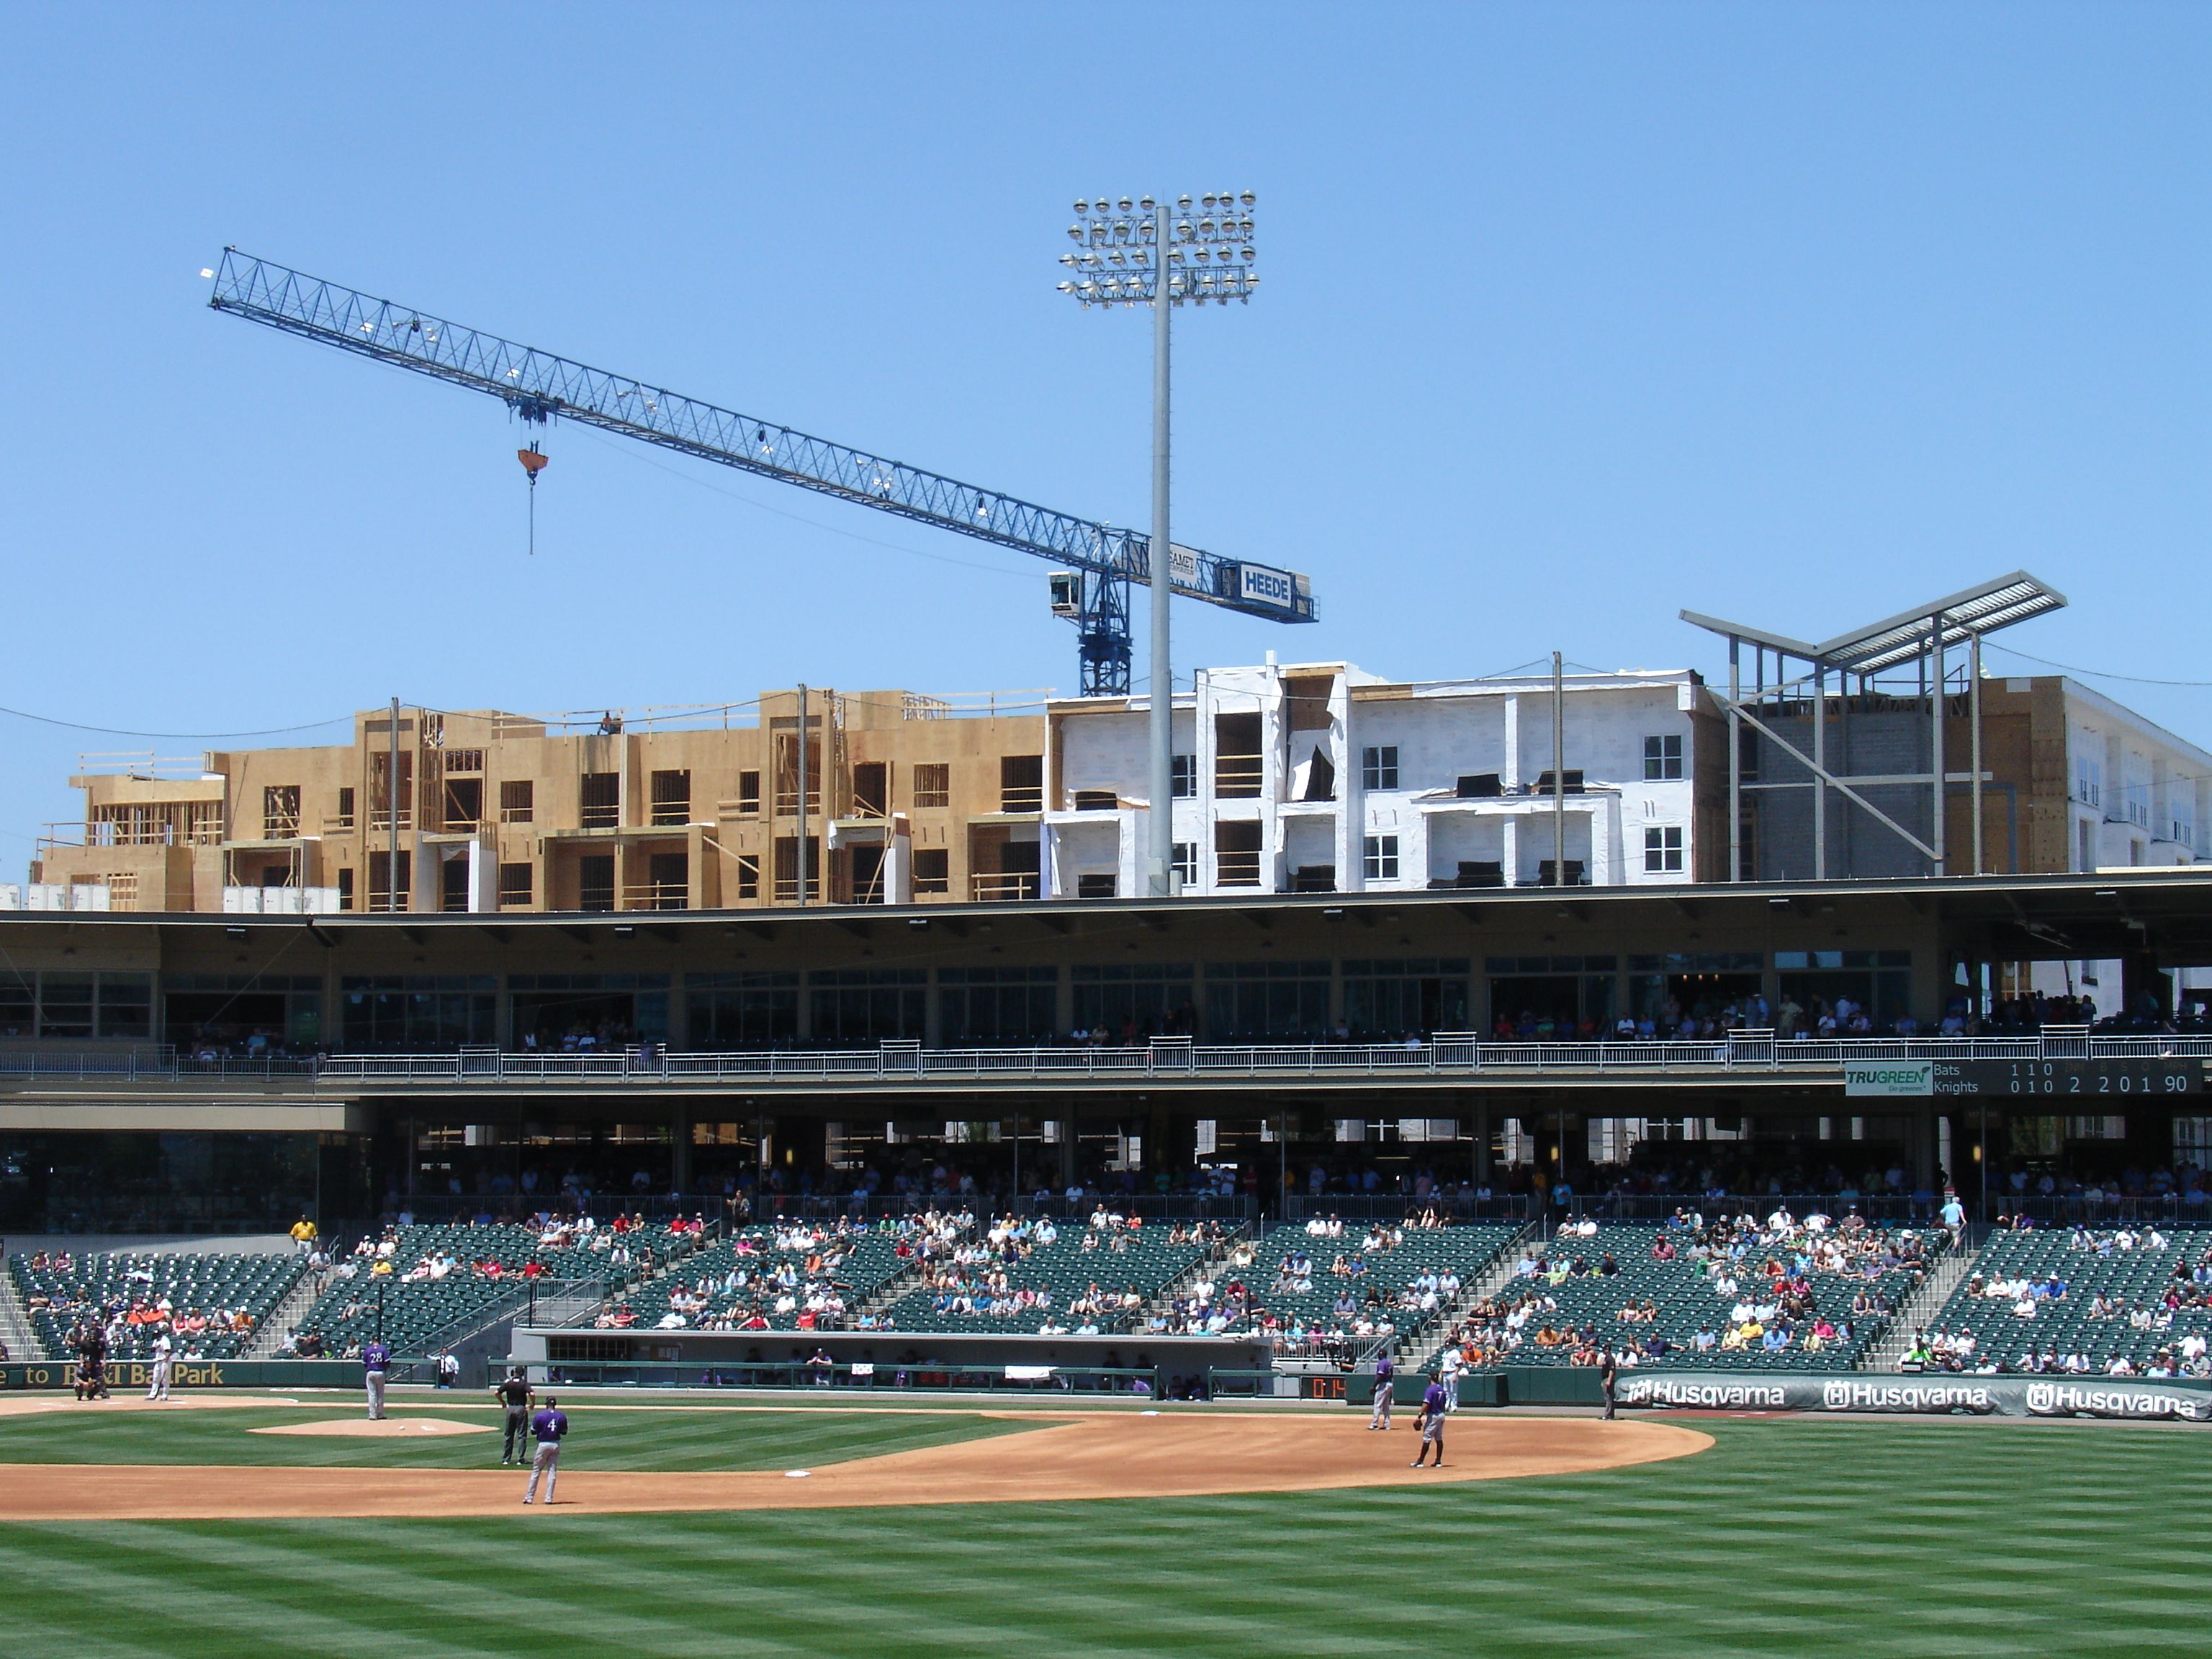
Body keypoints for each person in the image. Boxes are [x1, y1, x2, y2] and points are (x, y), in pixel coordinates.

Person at [522, 1395, 570, 1505]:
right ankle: (549, 1498)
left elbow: (533, 1431)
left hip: (543, 1444)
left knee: (536, 1471)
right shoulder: (561, 1416)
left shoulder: (540, 1415)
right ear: (555, 1405)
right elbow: (564, 1432)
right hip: (555, 1444)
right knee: (552, 1471)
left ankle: (529, 1498)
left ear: (547, 1404)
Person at [495, 1367, 534, 1465]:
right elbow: (532, 1393)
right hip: (521, 1408)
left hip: (510, 1408)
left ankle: (506, 1459)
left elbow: (497, 1392)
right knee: (521, 1435)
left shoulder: (509, 1383)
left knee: (508, 1434)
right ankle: (520, 1459)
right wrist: (533, 1404)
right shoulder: (523, 1383)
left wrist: (503, 1402)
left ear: (514, 1373)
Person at [1410, 1372, 1447, 1468]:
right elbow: (1444, 1404)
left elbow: (1426, 1404)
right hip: (1441, 1415)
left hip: (1433, 1416)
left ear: (1430, 1378)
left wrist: (1419, 1416)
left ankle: (1420, 1461)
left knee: (1427, 1438)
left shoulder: (1430, 1389)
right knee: (1439, 1438)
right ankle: (1438, 1461)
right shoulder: (1441, 1389)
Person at [361, 1336, 392, 1421]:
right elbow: (388, 1362)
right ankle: (380, 1414)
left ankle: (372, 1415)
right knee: (380, 1394)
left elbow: (364, 1363)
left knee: (372, 1394)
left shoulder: (368, 1350)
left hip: (370, 1372)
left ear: (372, 1341)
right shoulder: (383, 1349)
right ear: (379, 1341)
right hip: (380, 1372)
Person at [1368, 1349, 1395, 1430]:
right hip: (1389, 1383)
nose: (1378, 1356)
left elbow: (1380, 1376)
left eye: (1379, 1354)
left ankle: (1374, 1424)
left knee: (1378, 1404)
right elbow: (1391, 1374)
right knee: (1385, 1405)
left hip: (1383, 1384)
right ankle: (1387, 1424)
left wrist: (1374, 1386)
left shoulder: (1382, 1363)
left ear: (1381, 1355)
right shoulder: (1389, 1363)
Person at [145, 1331, 174, 1403]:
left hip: (165, 1361)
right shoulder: (156, 1340)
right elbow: (152, 1349)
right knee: (155, 1378)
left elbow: (168, 1351)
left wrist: (166, 1361)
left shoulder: (165, 1340)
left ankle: (165, 1396)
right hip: (158, 1361)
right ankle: (152, 1395)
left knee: (165, 1380)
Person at [1598, 1346, 1618, 1421]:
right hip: (1605, 1379)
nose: (1603, 1351)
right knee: (1609, 1397)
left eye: (1604, 1349)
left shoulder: (1610, 1358)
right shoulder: (1607, 1358)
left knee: (1608, 1397)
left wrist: (1609, 1380)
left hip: (1608, 1379)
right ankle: (1610, 1415)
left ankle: (1607, 1415)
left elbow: (1612, 1370)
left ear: (1607, 1350)